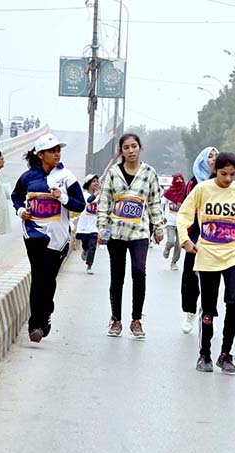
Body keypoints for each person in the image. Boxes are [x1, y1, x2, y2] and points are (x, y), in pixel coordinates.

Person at [177, 152, 235, 374]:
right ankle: (205, 354)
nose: (228, 179)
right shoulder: (202, 189)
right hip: (208, 255)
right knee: (209, 308)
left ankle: (225, 353)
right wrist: (185, 240)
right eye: (223, 174)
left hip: (233, 255)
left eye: (232, 174)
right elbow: (184, 216)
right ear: (215, 171)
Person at [11, 134, 85, 342]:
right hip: (33, 232)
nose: (57, 153)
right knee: (38, 276)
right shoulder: (28, 177)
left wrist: (61, 197)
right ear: (40, 154)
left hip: (58, 236)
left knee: (48, 278)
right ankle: (35, 325)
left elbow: (80, 205)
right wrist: (20, 211)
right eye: (52, 151)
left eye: (58, 150)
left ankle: (46, 314)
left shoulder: (66, 176)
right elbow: (16, 196)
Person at [97, 133, 164, 339]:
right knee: (117, 276)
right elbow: (105, 201)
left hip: (140, 233)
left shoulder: (149, 173)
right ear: (121, 151)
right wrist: (102, 228)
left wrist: (159, 228)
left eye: (134, 146)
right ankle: (116, 319)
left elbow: (154, 202)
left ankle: (136, 320)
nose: (131, 151)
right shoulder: (113, 173)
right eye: (126, 147)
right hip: (116, 232)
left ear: (140, 147)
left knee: (138, 272)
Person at [180, 147, 219, 334]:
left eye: (216, 156)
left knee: (213, 276)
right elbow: (186, 211)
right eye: (209, 156)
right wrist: (186, 237)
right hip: (195, 232)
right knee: (190, 274)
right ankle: (189, 311)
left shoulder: (223, 182)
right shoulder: (194, 183)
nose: (213, 159)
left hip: (216, 235)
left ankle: (209, 313)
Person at [76, 174, 101, 275]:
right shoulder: (83, 195)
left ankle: (89, 265)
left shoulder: (99, 196)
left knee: (93, 245)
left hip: (94, 226)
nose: (95, 183)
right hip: (84, 225)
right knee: (86, 245)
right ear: (88, 183)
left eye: (97, 181)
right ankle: (84, 250)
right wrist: (96, 194)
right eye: (93, 181)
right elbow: (89, 200)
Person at [162, 173, 186, 271]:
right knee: (171, 241)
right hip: (170, 222)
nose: (179, 181)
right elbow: (162, 205)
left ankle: (174, 262)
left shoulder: (186, 193)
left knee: (179, 244)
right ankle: (167, 248)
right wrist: (163, 216)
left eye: (181, 179)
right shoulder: (168, 193)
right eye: (177, 179)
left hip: (181, 223)